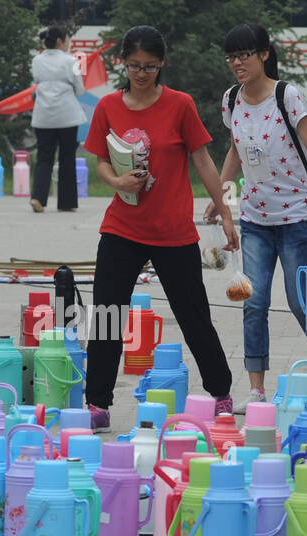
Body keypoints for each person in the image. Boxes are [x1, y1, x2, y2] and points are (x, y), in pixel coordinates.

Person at [82, 25, 238, 429]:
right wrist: (117, 183)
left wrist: (224, 211)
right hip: (121, 230)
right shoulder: (108, 108)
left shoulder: (180, 105)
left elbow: (203, 160)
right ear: (123, 64)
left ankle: (221, 393)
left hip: (173, 232)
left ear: (162, 63)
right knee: (107, 316)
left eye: (150, 66)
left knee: (194, 316)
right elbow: (98, 159)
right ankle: (97, 404)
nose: (141, 73)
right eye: (134, 65)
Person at [206, 23, 307, 407]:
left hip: (297, 219)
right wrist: (221, 193)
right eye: (231, 56)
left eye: (244, 54)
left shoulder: (287, 96)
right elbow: (234, 150)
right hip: (254, 222)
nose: (237, 63)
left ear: (264, 54)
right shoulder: (231, 100)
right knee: (254, 302)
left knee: (301, 302)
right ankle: (258, 390)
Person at [30, 26, 89, 213]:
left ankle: (38, 198)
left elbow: (36, 82)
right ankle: (66, 202)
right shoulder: (71, 60)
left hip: (43, 116)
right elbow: (79, 90)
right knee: (67, 158)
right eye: (67, 40)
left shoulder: (37, 60)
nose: (68, 44)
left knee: (44, 158)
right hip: (67, 117)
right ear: (59, 42)